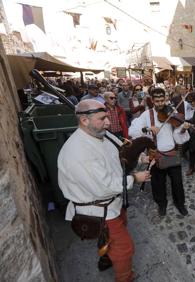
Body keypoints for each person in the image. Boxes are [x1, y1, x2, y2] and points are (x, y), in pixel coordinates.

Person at [58, 99, 150, 282]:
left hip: (113, 204)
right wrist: (134, 178)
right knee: (124, 248)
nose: (108, 122)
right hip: (98, 209)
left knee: (113, 236)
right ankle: (125, 278)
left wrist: (139, 158)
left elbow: (121, 152)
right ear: (84, 120)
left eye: (107, 116)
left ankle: (106, 257)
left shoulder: (102, 134)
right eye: (103, 118)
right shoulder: (78, 152)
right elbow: (103, 187)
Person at [129, 88, 190, 217]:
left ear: (166, 99)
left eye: (162, 100)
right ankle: (162, 204)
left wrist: (183, 129)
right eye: (157, 101)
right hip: (155, 153)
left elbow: (177, 135)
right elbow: (132, 131)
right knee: (158, 183)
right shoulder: (147, 114)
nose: (160, 104)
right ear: (152, 100)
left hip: (171, 153)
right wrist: (147, 129)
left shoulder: (171, 112)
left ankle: (180, 203)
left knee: (177, 182)